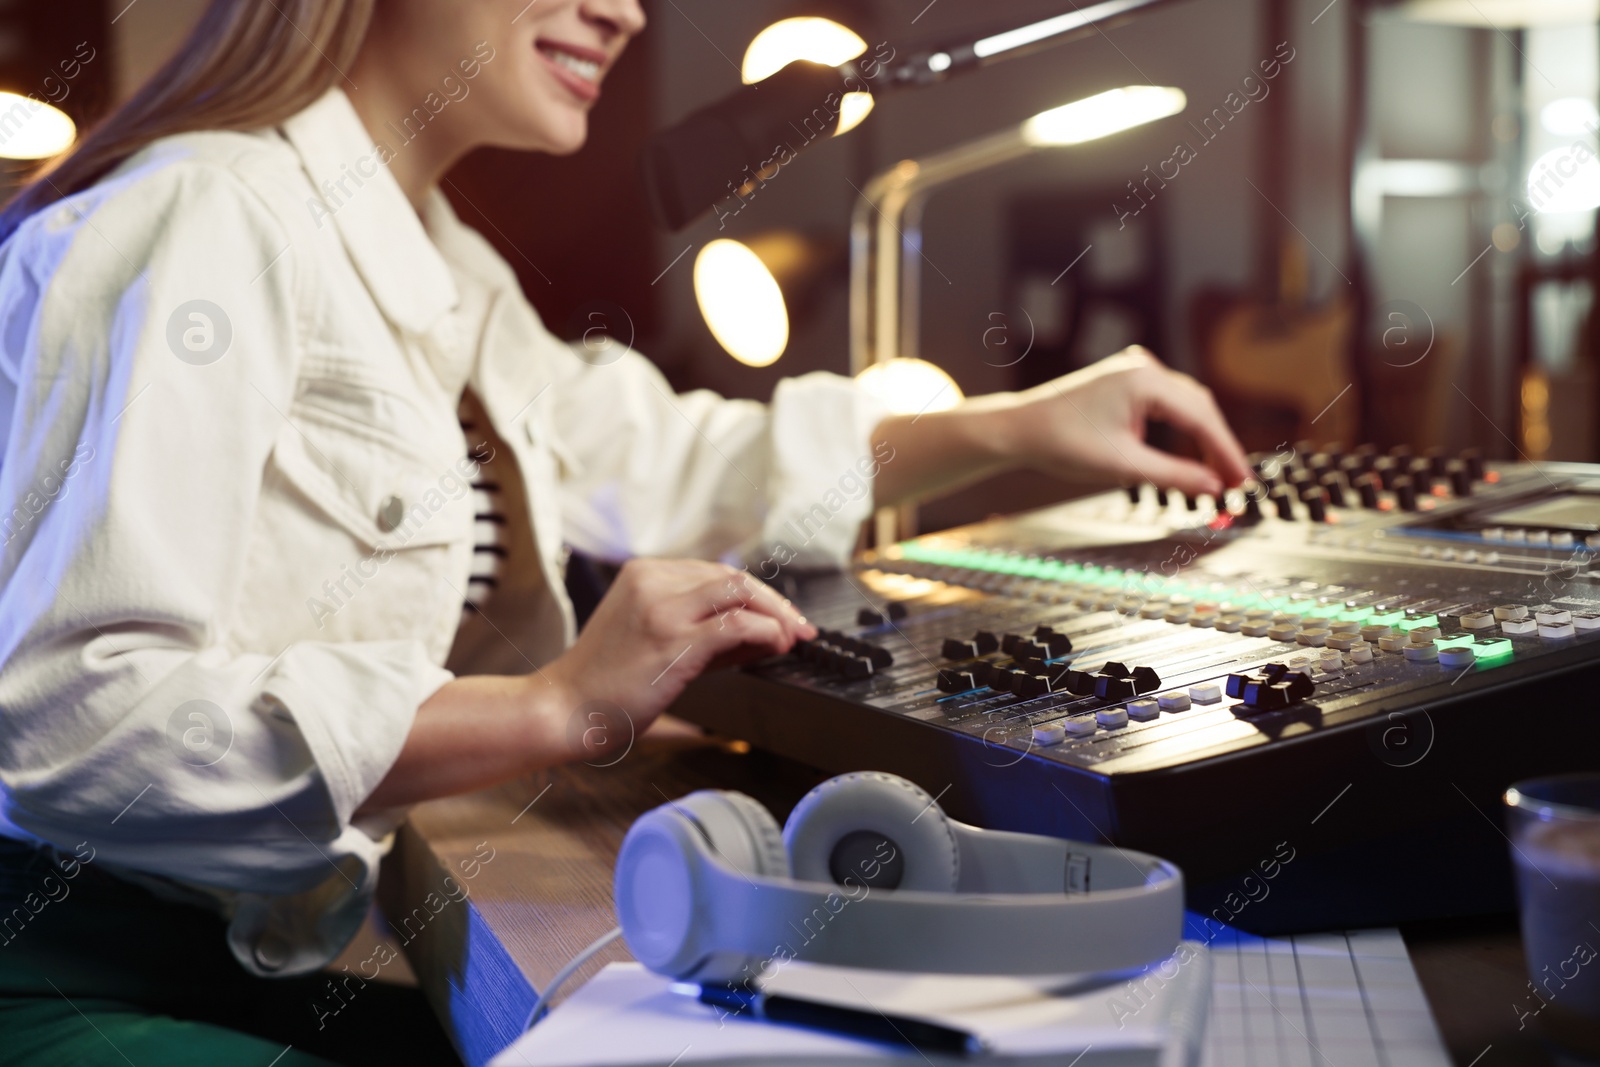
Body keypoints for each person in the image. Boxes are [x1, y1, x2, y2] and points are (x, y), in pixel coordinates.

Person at [0, 0, 1250, 1063]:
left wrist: (1016, 425)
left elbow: (669, 458)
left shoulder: (436, 260)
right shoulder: (207, 216)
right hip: (73, 973)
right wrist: (550, 707)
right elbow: (75, 721)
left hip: (250, 960)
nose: (628, 11)